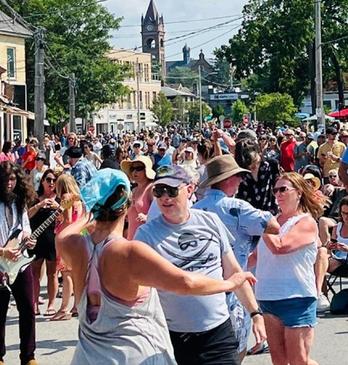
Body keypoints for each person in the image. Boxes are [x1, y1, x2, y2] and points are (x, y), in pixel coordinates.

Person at [56, 168, 256, 365]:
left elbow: (62, 235)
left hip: (89, 356)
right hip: (133, 355)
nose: (164, 197)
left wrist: (86, 216)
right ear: (127, 204)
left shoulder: (74, 246)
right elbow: (185, 282)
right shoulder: (129, 253)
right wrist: (230, 284)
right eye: (159, 191)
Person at [135, 165, 266, 365]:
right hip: (173, 337)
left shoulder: (210, 221)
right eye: (158, 191)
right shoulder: (146, 235)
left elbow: (234, 272)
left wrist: (255, 314)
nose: (164, 198)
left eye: (171, 190)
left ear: (189, 190)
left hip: (218, 334)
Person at [193, 154, 278, 360]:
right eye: (239, 176)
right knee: (235, 350)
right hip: (234, 290)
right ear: (229, 180)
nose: (241, 181)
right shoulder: (236, 208)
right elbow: (273, 226)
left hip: (202, 290)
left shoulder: (194, 210)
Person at [255, 172, 326, 365]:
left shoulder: (306, 222)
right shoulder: (272, 220)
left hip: (297, 298)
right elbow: (255, 257)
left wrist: (261, 224)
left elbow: (280, 246)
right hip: (268, 297)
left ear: (299, 192)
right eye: (275, 190)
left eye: (283, 189)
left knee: (299, 361)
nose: (278, 194)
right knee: (279, 361)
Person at [0, 161, 38, 365]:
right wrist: (3, 251)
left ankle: (28, 355)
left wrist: (29, 239)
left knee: (28, 309)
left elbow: (26, 229)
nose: (9, 183)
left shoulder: (20, 202)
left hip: (20, 264)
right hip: (0, 263)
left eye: (13, 179)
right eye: (5, 179)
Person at [52, 174, 84, 321]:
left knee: (66, 274)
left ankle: (64, 308)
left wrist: (58, 220)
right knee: (74, 273)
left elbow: (68, 219)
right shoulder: (78, 198)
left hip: (66, 238)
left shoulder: (66, 197)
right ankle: (76, 306)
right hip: (78, 237)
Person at [121, 156, 155, 239]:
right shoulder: (134, 190)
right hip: (131, 237)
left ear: (146, 170)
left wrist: (147, 217)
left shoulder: (151, 189)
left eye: (138, 168)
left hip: (146, 239)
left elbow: (161, 214)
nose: (134, 172)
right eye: (132, 169)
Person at [327, 196, 348, 272]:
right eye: (343, 213)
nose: (346, 217)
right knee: (321, 256)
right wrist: (330, 247)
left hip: (343, 262)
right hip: (338, 260)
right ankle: (321, 284)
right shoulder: (337, 227)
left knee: (322, 265)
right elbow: (331, 250)